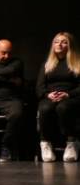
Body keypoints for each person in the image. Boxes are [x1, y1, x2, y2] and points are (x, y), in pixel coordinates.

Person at [37, 32, 80, 162]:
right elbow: (39, 87)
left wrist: (68, 94)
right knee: (45, 108)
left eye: (64, 42)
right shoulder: (47, 64)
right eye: (56, 41)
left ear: (70, 46)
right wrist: (47, 94)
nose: (59, 44)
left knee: (63, 107)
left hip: (71, 96)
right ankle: (45, 143)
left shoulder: (77, 63)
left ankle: (72, 142)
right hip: (50, 96)